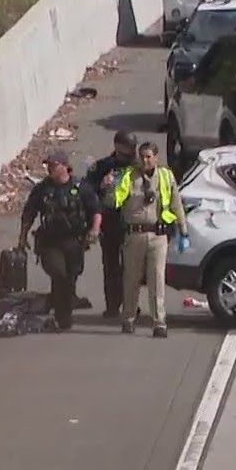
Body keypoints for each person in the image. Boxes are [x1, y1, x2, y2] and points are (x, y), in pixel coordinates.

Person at [18, 150, 102, 331]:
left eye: (54, 165)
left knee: (71, 276)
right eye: (48, 165)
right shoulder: (42, 189)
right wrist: (22, 237)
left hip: (74, 241)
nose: (50, 168)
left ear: (65, 166)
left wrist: (95, 230)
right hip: (50, 241)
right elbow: (29, 214)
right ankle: (62, 315)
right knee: (59, 274)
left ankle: (62, 310)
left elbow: (95, 210)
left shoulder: (80, 187)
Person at [112, 142, 187, 338]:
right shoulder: (128, 176)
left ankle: (159, 321)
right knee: (131, 279)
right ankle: (128, 318)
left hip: (158, 235)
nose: (145, 160)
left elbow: (176, 203)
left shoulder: (165, 176)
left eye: (148, 156)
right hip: (134, 234)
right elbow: (114, 200)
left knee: (157, 279)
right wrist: (110, 188)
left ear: (156, 157)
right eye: (142, 156)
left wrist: (183, 231)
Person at [82, 130, 138, 319]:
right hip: (111, 222)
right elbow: (87, 192)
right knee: (111, 266)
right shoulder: (102, 167)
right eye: (126, 150)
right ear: (117, 147)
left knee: (132, 268)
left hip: (134, 222)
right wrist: (101, 187)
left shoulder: (139, 166)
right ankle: (112, 305)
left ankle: (131, 304)